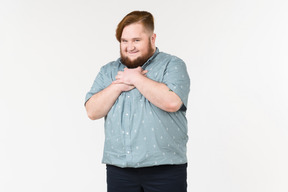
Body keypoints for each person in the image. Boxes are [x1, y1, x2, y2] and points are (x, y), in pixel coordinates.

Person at [85, 10, 190, 192]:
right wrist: (118, 85)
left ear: (152, 39)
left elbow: (172, 102)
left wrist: (137, 79)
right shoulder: (108, 71)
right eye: (124, 41)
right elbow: (92, 111)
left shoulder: (172, 65)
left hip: (165, 169)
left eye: (136, 40)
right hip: (119, 169)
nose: (129, 47)